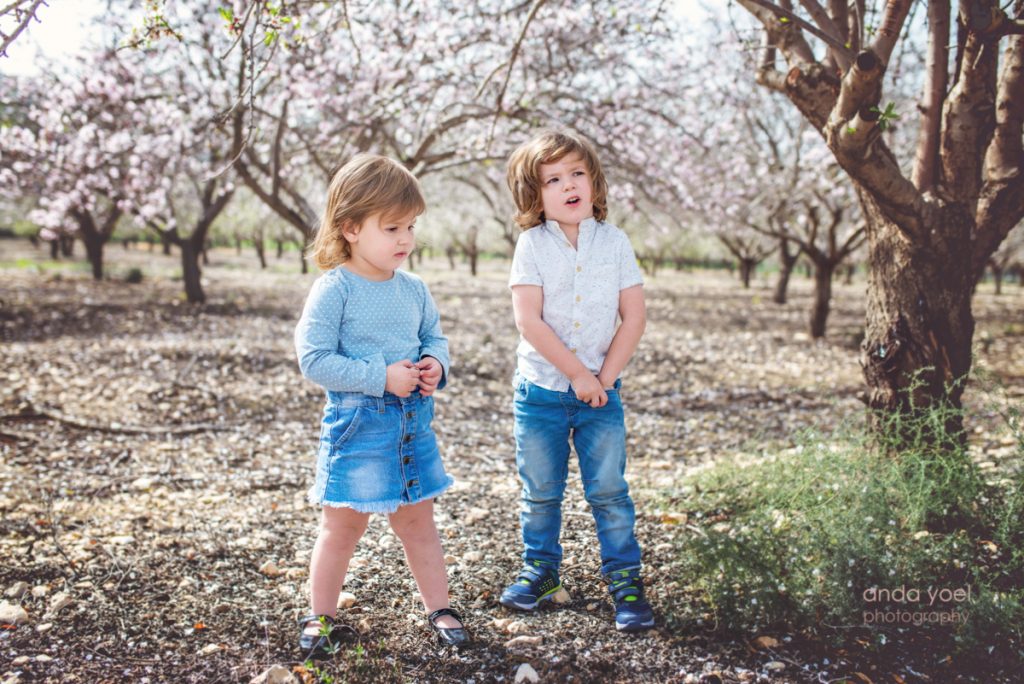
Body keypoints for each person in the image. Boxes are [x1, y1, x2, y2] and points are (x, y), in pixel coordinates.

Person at [293, 154, 468, 657]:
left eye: (410, 227)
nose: (405, 239)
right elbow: (314, 359)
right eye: (391, 228)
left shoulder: (414, 289)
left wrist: (434, 363)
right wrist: (380, 377)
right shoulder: (335, 290)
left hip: (412, 427)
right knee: (341, 527)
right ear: (350, 228)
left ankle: (440, 607)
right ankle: (320, 618)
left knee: (418, 523)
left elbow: (434, 337)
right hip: (358, 429)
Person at [500, 130, 654, 632]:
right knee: (541, 491)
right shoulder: (532, 245)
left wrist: (602, 380)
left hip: (601, 395)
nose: (569, 185)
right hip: (541, 393)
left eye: (577, 174)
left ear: (594, 181)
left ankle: (625, 580)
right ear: (535, 194)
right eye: (553, 179)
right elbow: (529, 321)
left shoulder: (615, 242)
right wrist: (577, 375)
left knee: (609, 490)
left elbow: (633, 317)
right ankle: (541, 571)